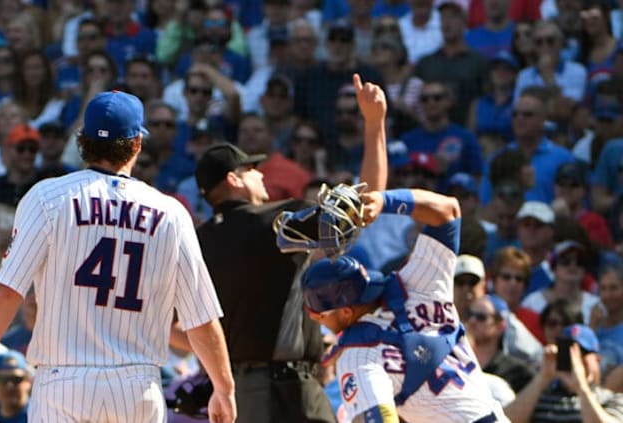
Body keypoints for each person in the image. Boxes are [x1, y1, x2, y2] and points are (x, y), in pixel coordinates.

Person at [0, 90, 236, 423]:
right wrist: (224, 387)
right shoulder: (170, 212)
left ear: (82, 140)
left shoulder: (47, 197)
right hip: (137, 387)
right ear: (137, 145)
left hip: (64, 384)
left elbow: (8, 292)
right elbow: (200, 318)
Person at [194, 73, 388, 423]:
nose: (262, 173)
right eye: (252, 169)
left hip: (228, 393)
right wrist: (375, 125)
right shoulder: (278, 221)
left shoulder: (195, 239)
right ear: (234, 180)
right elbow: (364, 207)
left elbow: (178, 329)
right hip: (285, 392)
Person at [299, 188, 509, 422]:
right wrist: (384, 201)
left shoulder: (358, 356)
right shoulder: (418, 285)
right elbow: (448, 211)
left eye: (320, 315)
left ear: (347, 310)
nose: (316, 319)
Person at [504, 324, 623, 422]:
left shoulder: (611, 399)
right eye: (567, 354)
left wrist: (581, 387)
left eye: (581, 354)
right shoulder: (538, 398)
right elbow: (505, 420)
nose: (574, 361)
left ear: (597, 359)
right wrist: (542, 378)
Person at [0, 351, 31, 423]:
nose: (9, 386)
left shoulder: (41, 415)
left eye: (16, 379)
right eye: (2, 380)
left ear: (28, 381)